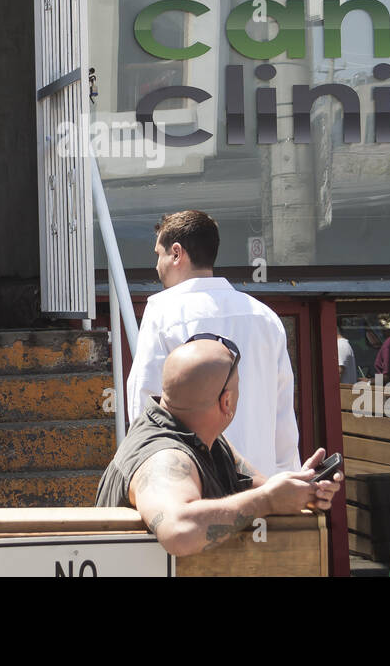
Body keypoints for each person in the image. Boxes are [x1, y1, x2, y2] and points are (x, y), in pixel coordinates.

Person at [97, 336, 341, 557]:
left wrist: (302, 487)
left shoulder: (202, 436)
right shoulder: (164, 458)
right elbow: (180, 532)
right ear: (227, 401)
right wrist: (268, 501)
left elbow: (261, 487)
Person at [126, 210, 299, 477]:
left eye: (158, 254)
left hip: (193, 489)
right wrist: (285, 485)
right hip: (262, 492)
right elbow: (283, 416)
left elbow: (146, 412)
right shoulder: (266, 318)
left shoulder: (163, 313)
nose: (156, 265)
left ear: (176, 253)